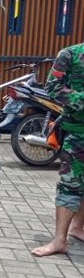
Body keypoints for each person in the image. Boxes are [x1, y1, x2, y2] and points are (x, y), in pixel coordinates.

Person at [31, 42, 84, 257]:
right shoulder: (71, 54)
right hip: (78, 133)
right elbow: (53, 87)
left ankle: (78, 228)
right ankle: (59, 240)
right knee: (70, 184)